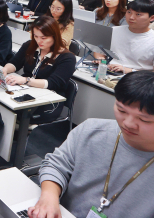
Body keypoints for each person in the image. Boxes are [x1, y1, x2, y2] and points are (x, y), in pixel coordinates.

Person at [28, 71, 154, 218]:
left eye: (144, 120)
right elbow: (56, 164)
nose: (128, 123)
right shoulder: (91, 130)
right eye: (121, 110)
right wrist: (49, 197)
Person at [2, 16, 76, 124]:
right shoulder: (30, 45)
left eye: (44, 38)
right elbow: (15, 63)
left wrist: (26, 80)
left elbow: (51, 83)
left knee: (12, 111)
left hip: (49, 101)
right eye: (36, 36)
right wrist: (5, 69)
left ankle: (17, 135)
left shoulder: (67, 58)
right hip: (26, 91)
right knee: (2, 103)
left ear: (55, 36)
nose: (39, 41)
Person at [107, 0, 154, 73]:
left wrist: (129, 70)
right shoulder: (114, 30)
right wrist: (100, 60)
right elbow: (99, 51)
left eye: (138, 14)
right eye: (129, 12)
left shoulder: (151, 39)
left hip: (138, 79)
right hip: (109, 71)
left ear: (152, 18)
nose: (131, 17)